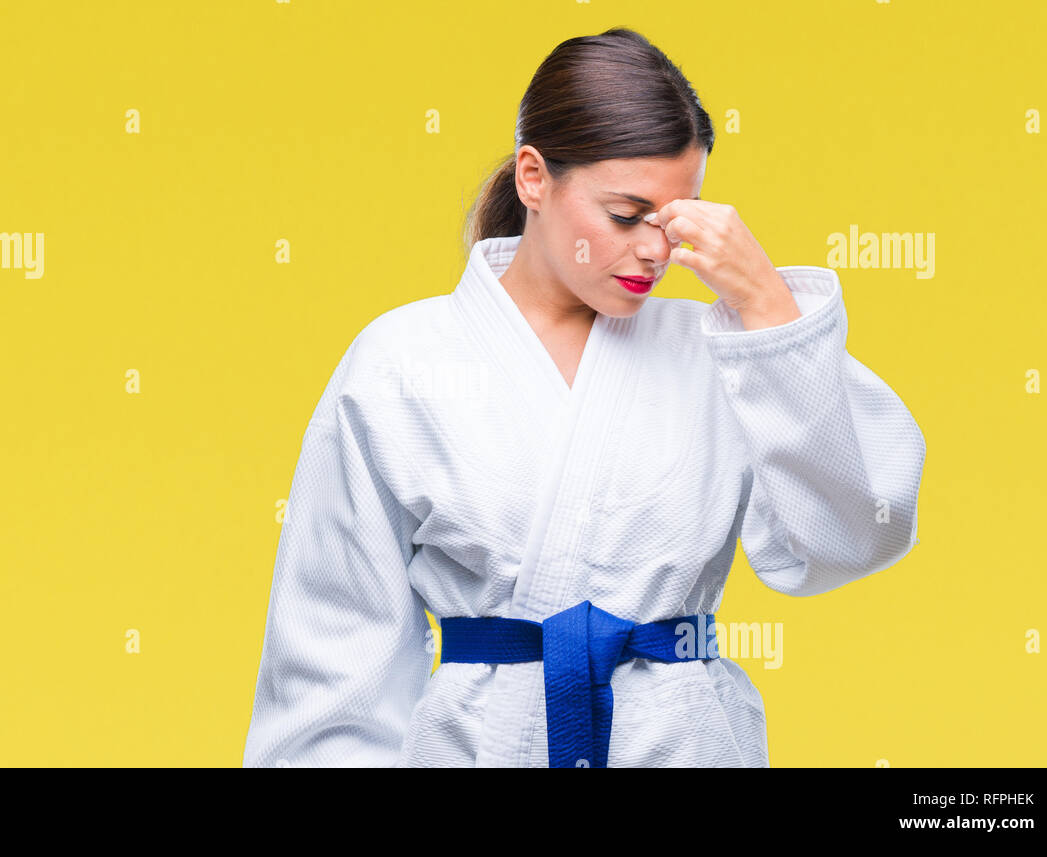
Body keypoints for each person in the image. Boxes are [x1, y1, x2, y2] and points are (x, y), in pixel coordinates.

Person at [242, 27, 926, 767]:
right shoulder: (402, 362)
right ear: (533, 177)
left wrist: (765, 303)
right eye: (627, 215)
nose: (655, 252)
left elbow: (853, 535)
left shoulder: (722, 352)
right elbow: (334, 651)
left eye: (675, 221)